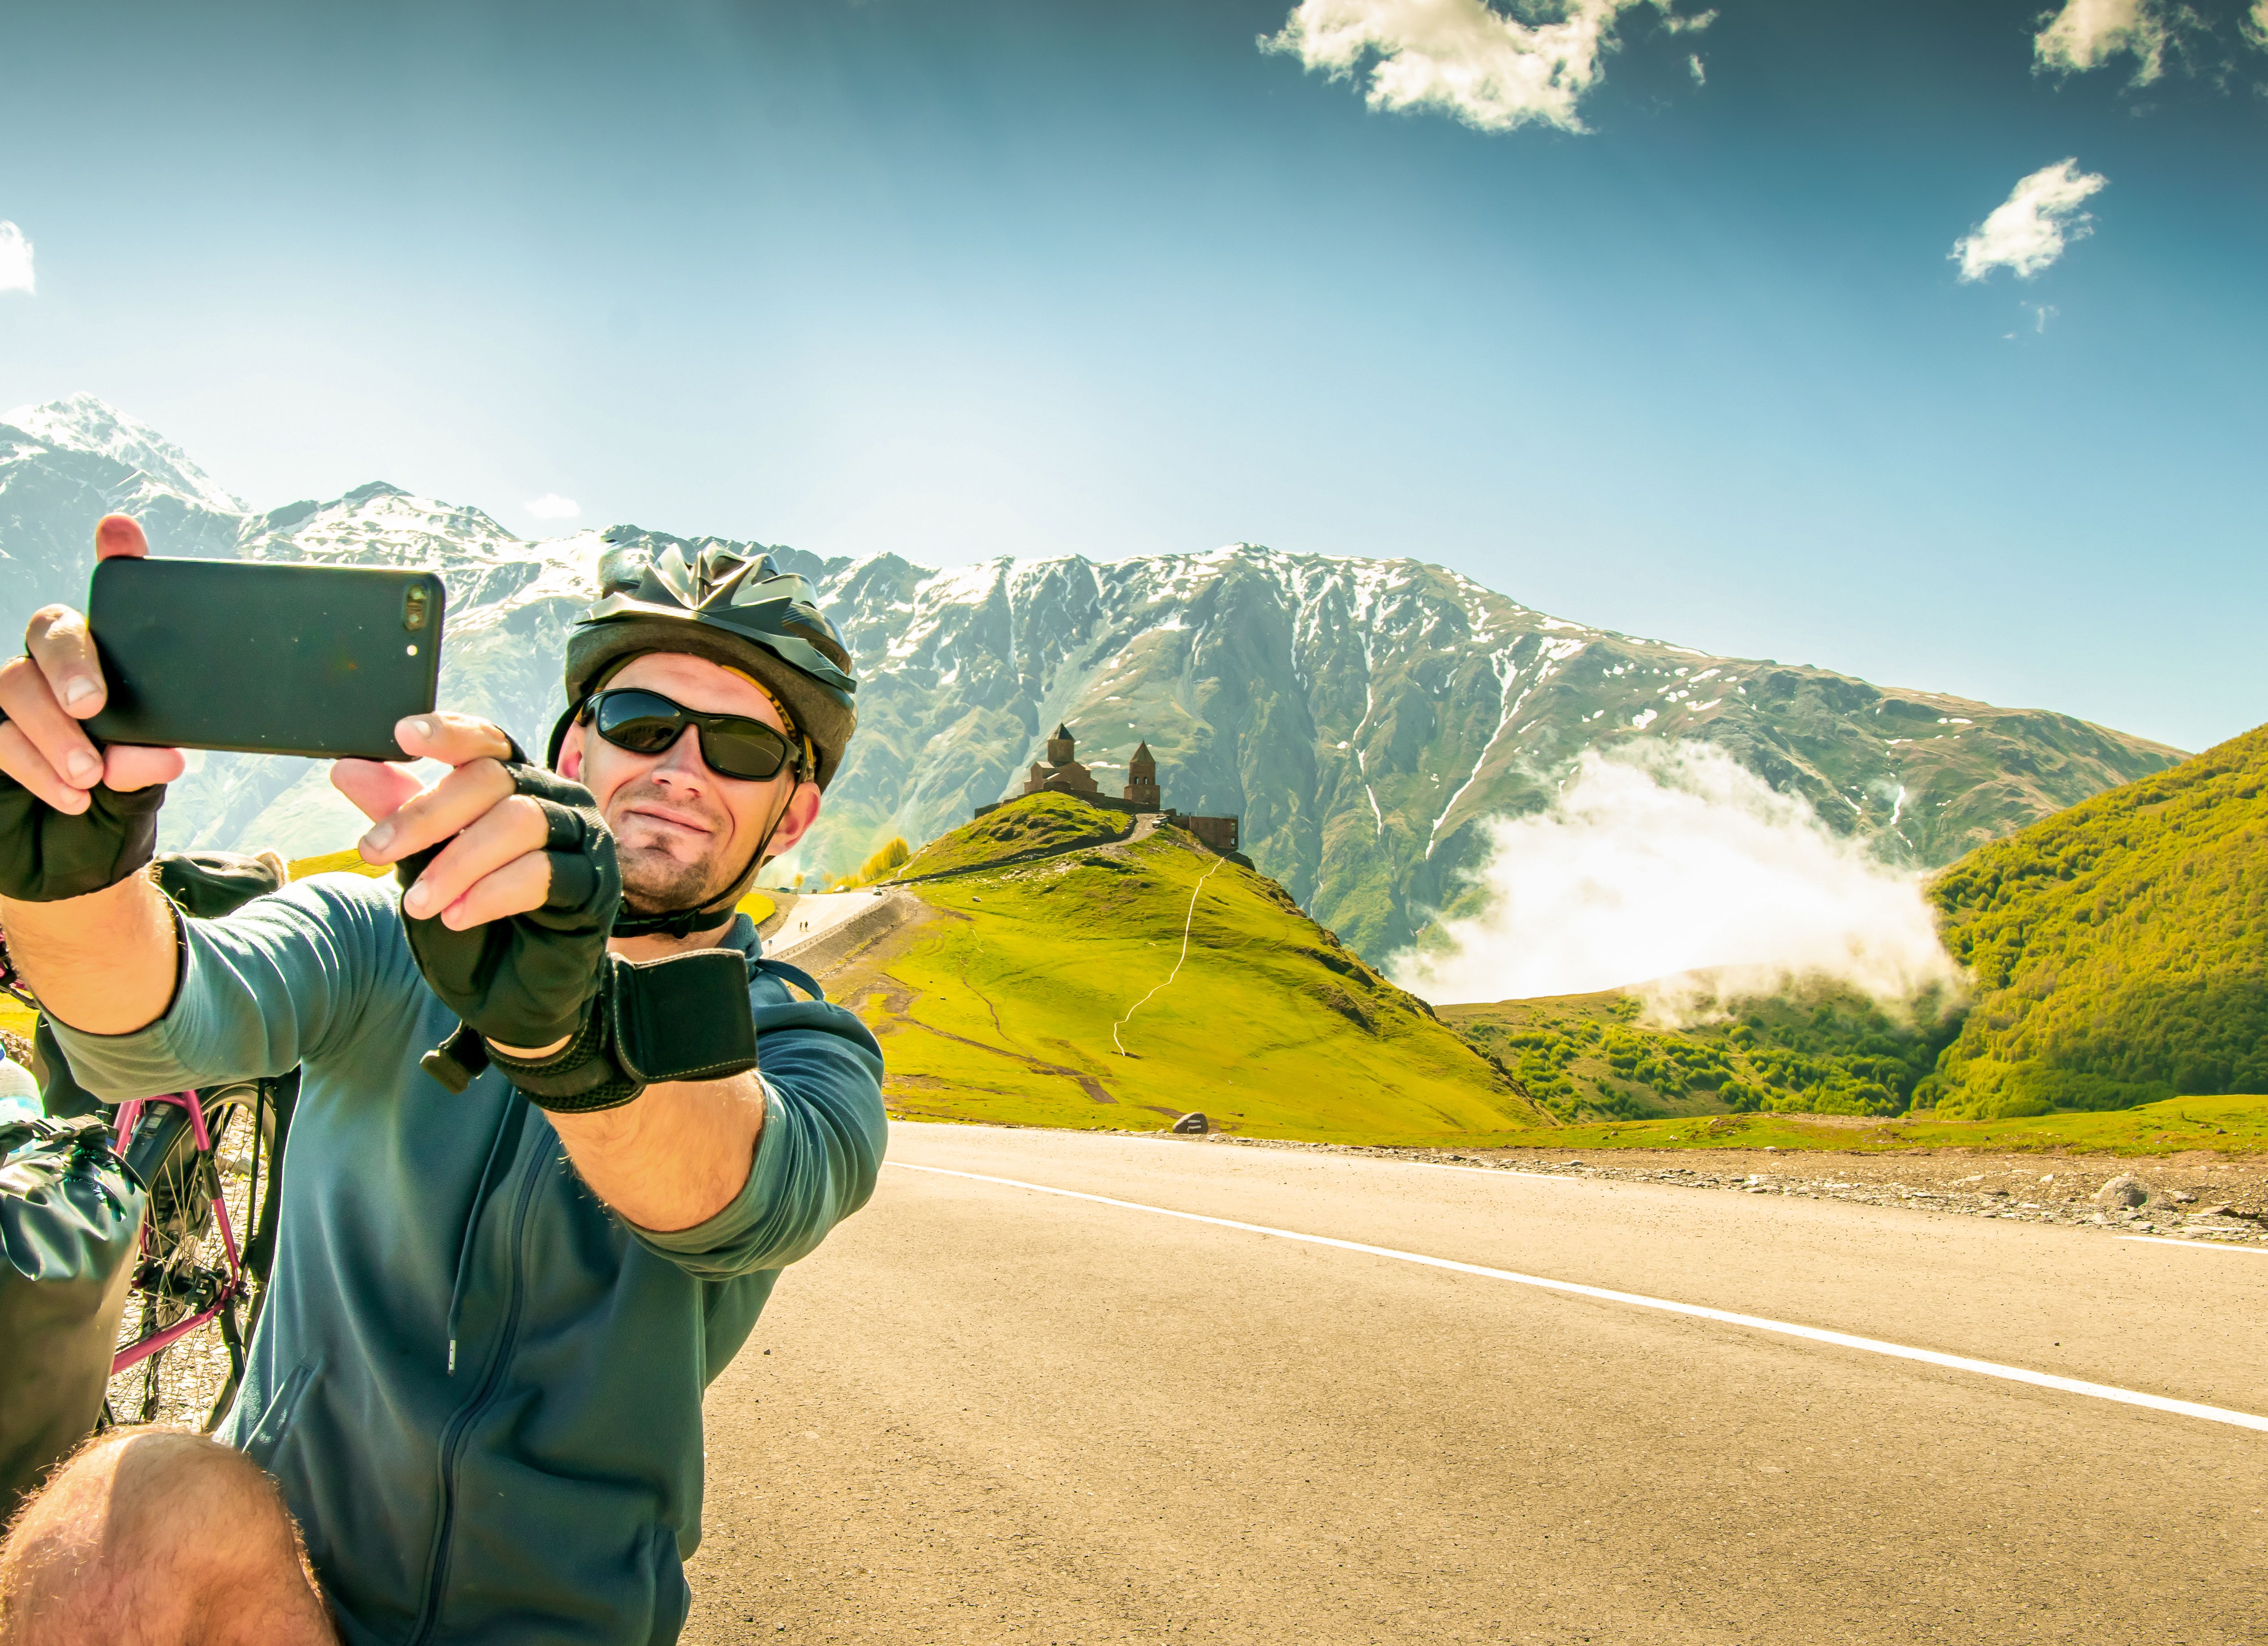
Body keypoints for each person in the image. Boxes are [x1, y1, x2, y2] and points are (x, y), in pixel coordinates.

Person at [0, 514, 886, 1645]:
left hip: (566, 1628)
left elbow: (728, 1186)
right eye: (641, 721)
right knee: (125, 1508)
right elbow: (156, 1012)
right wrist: (63, 878)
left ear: (794, 813)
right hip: (281, 1594)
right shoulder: (387, 932)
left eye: (744, 749)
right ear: (577, 756)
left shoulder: (810, 1047)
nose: (680, 768)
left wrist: (569, 1033)